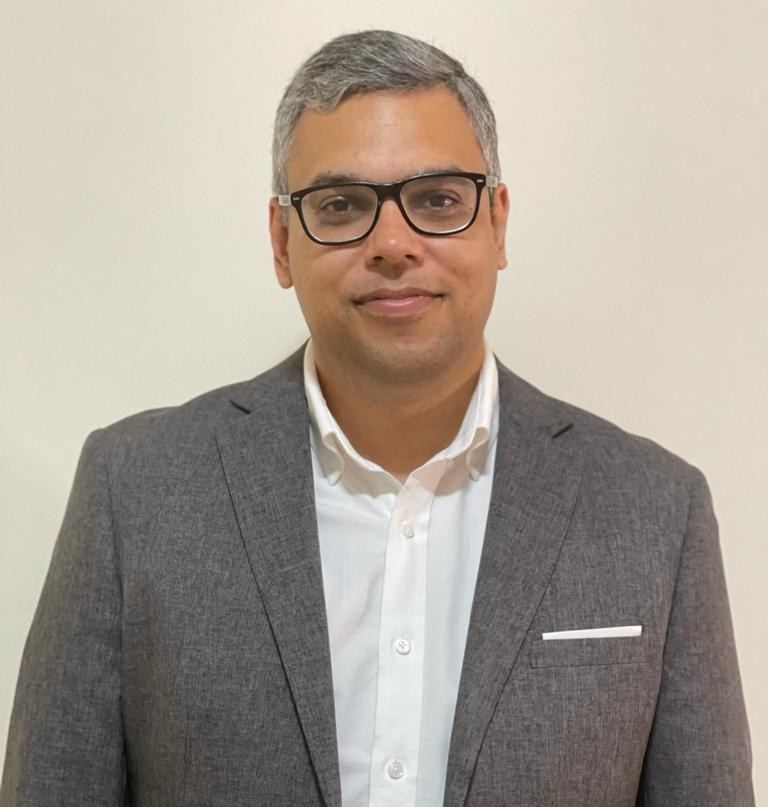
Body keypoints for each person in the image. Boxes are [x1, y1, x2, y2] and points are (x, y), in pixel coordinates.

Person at [0, 29, 754, 808]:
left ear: (497, 223)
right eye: (341, 206)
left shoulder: (655, 510)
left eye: (438, 200)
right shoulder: (135, 491)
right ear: (281, 243)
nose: (393, 244)